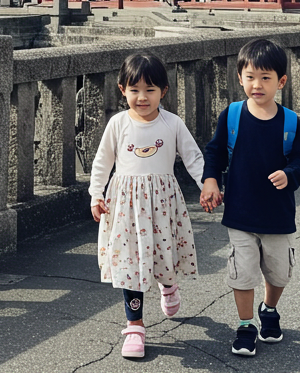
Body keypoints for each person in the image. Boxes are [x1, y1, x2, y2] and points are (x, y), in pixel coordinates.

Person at [89, 52, 216, 359]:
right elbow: (102, 162)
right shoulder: (118, 124)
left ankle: (169, 285)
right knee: (130, 264)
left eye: (150, 90)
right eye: (134, 90)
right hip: (125, 207)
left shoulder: (172, 123)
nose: (142, 97)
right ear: (122, 90)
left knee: (163, 252)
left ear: (164, 91)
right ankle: (135, 325)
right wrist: (96, 194)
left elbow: (192, 157)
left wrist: (207, 184)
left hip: (162, 203)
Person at [200, 38, 300, 357]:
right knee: (243, 272)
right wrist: (210, 181)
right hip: (240, 213)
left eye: (265, 77)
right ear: (240, 78)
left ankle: (270, 309)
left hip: (277, 214)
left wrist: (289, 174)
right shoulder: (232, 116)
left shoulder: (290, 122)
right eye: (250, 77)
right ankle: (246, 325)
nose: (257, 84)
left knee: (279, 273)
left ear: (281, 81)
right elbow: (215, 151)